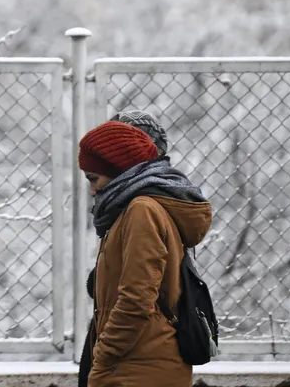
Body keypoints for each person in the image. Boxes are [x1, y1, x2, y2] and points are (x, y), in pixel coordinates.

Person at [76, 118, 212, 387]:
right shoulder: (133, 210)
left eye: (94, 178)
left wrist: (104, 356)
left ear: (118, 170)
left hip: (137, 367)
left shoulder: (141, 211)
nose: (92, 190)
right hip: (140, 362)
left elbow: (136, 299)